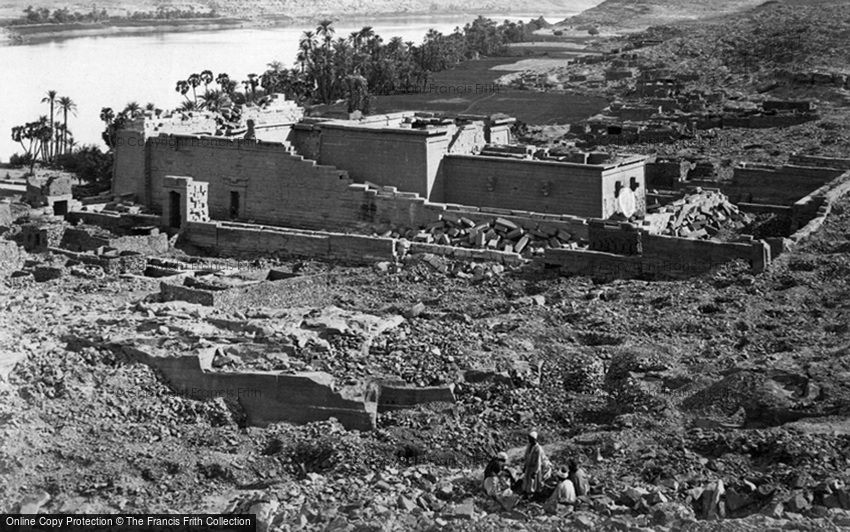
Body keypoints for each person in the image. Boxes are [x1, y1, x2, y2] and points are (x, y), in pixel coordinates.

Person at [521, 431, 551, 495]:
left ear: (534, 439)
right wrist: (525, 466)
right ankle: (526, 491)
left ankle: (531, 493)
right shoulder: (529, 446)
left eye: (530, 438)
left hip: (534, 467)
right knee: (527, 479)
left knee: (532, 482)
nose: (528, 439)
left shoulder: (538, 449)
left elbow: (538, 461)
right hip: (529, 466)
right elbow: (526, 456)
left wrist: (535, 472)